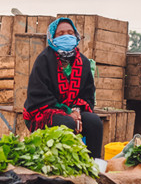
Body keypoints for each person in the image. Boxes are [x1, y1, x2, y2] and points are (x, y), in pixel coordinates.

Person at [23, 17, 103, 158]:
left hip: (73, 109)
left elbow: (88, 95)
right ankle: (61, 164)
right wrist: (67, 112)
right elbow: (39, 96)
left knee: (94, 122)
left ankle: (93, 165)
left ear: (76, 36)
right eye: (60, 34)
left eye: (70, 33)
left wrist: (77, 111)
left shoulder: (83, 62)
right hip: (42, 111)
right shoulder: (44, 60)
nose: (66, 36)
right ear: (52, 38)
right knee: (67, 123)